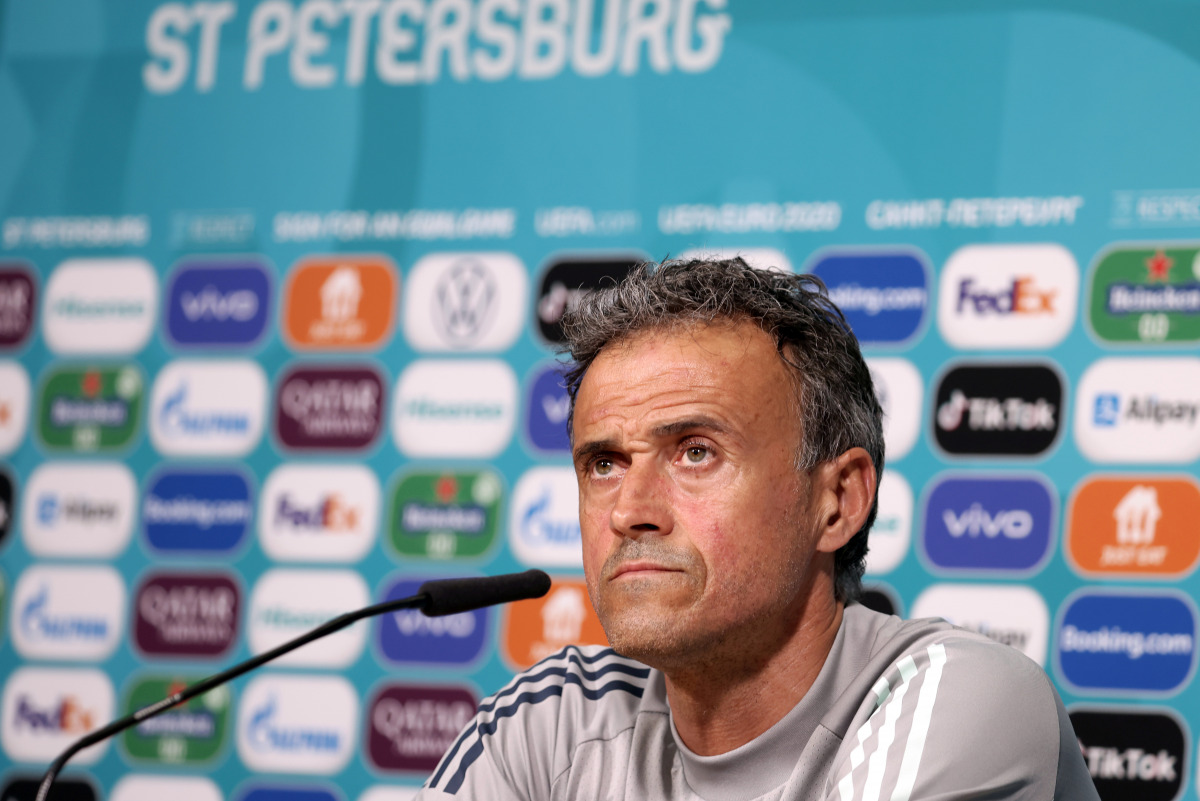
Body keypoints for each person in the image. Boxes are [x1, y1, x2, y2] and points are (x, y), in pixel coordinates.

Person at [418, 258, 1098, 800]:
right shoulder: (553, 718)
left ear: (838, 501)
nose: (629, 510)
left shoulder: (958, 695)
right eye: (604, 463)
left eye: (695, 452)